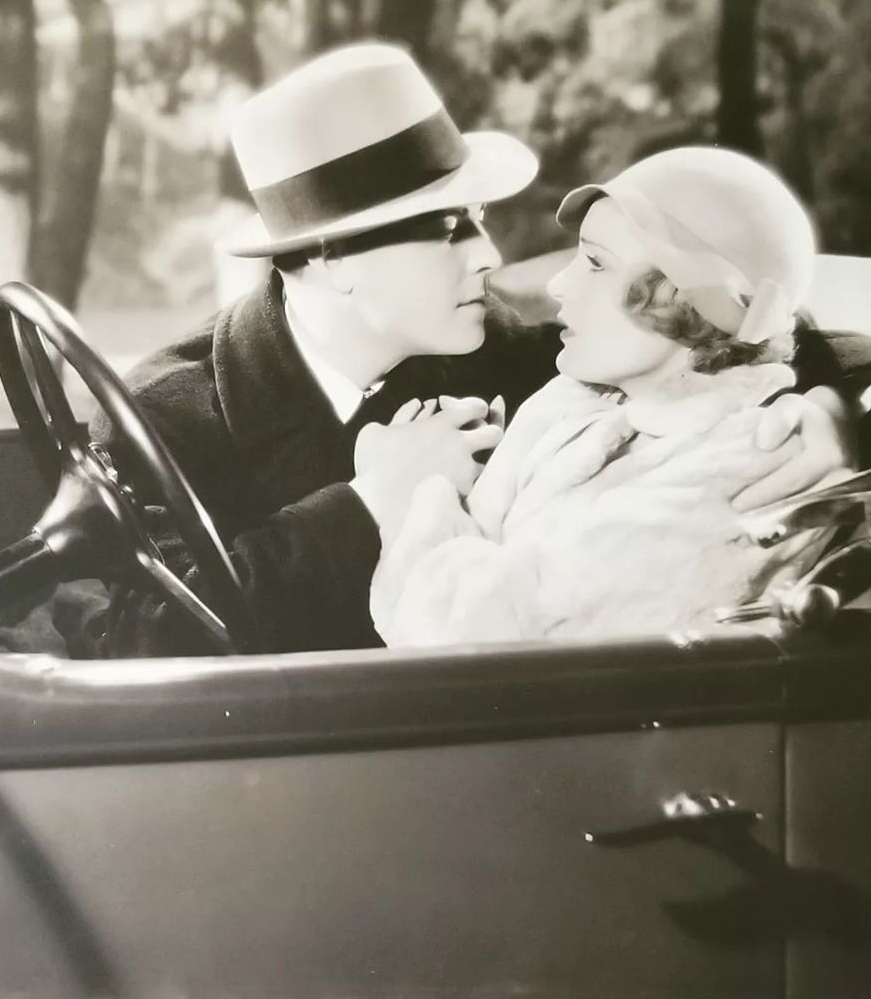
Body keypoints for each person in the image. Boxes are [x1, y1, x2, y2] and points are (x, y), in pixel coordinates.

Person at [76, 44, 865, 659]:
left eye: (477, 218)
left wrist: (838, 422)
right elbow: (130, 641)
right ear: (327, 260)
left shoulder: (498, 351)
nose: (489, 256)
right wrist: (367, 506)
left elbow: (738, 335)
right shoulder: (165, 419)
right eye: (447, 227)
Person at [370, 147, 849, 646]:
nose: (558, 284)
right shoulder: (574, 401)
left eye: (596, 263)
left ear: (691, 299)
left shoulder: (750, 459)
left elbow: (452, 631)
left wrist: (416, 498)